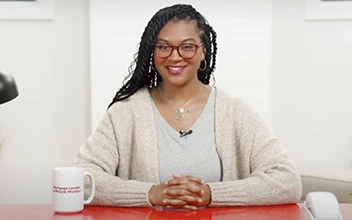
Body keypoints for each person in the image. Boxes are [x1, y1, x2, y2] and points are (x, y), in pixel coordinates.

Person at [73, 4, 302, 210]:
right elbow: (81, 179)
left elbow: (287, 181)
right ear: (152, 53)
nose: (174, 57)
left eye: (187, 47)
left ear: (203, 51)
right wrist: (150, 193)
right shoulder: (126, 112)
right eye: (164, 47)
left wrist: (211, 194)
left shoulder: (234, 111)